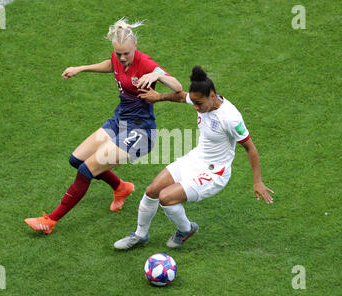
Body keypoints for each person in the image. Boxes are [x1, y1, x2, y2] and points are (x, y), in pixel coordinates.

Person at [24, 18, 182, 234]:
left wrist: (158, 74)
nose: (123, 58)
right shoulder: (117, 58)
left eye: (127, 53)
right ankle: (121, 187)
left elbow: (178, 86)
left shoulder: (145, 63)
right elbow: (111, 65)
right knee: (76, 159)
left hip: (140, 132)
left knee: (86, 170)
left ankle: (50, 221)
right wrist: (81, 68)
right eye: (119, 54)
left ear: (135, 46)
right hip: (119, 121)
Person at [114, 66, 274, 249]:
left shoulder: (230, 118)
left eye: (199, 104)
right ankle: (140, 235)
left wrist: (257, 181)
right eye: (195, 103)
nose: (196, 107)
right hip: (195, 159)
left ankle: (186, 230)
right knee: (152, 191)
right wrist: (159, 97)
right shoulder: (201, 99)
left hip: (215, 172)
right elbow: (182, 96)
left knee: (165, 197)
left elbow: (250, 148)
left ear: (212, 96)